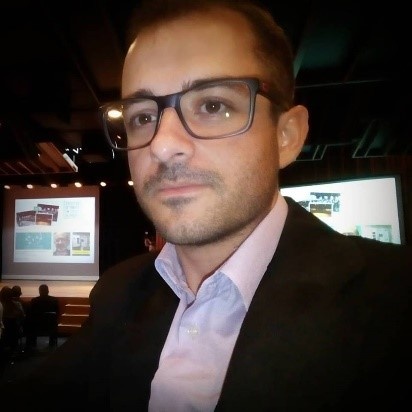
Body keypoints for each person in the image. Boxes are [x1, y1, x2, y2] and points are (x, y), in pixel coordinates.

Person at [1, 0, 411, 410]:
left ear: (286, 135)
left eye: (213, 105)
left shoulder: (396, 298)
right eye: (142, 117)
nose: (162, 146)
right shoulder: (118, 291)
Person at [25, 284, 60, 349]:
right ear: (48, 291)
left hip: (37, 325)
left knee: (29, 323)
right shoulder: (54, 300)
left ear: (39, 291)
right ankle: (53, 343)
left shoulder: (34, 300)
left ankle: (31, 345)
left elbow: (31, 314)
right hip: (51, 325)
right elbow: (57, 313)